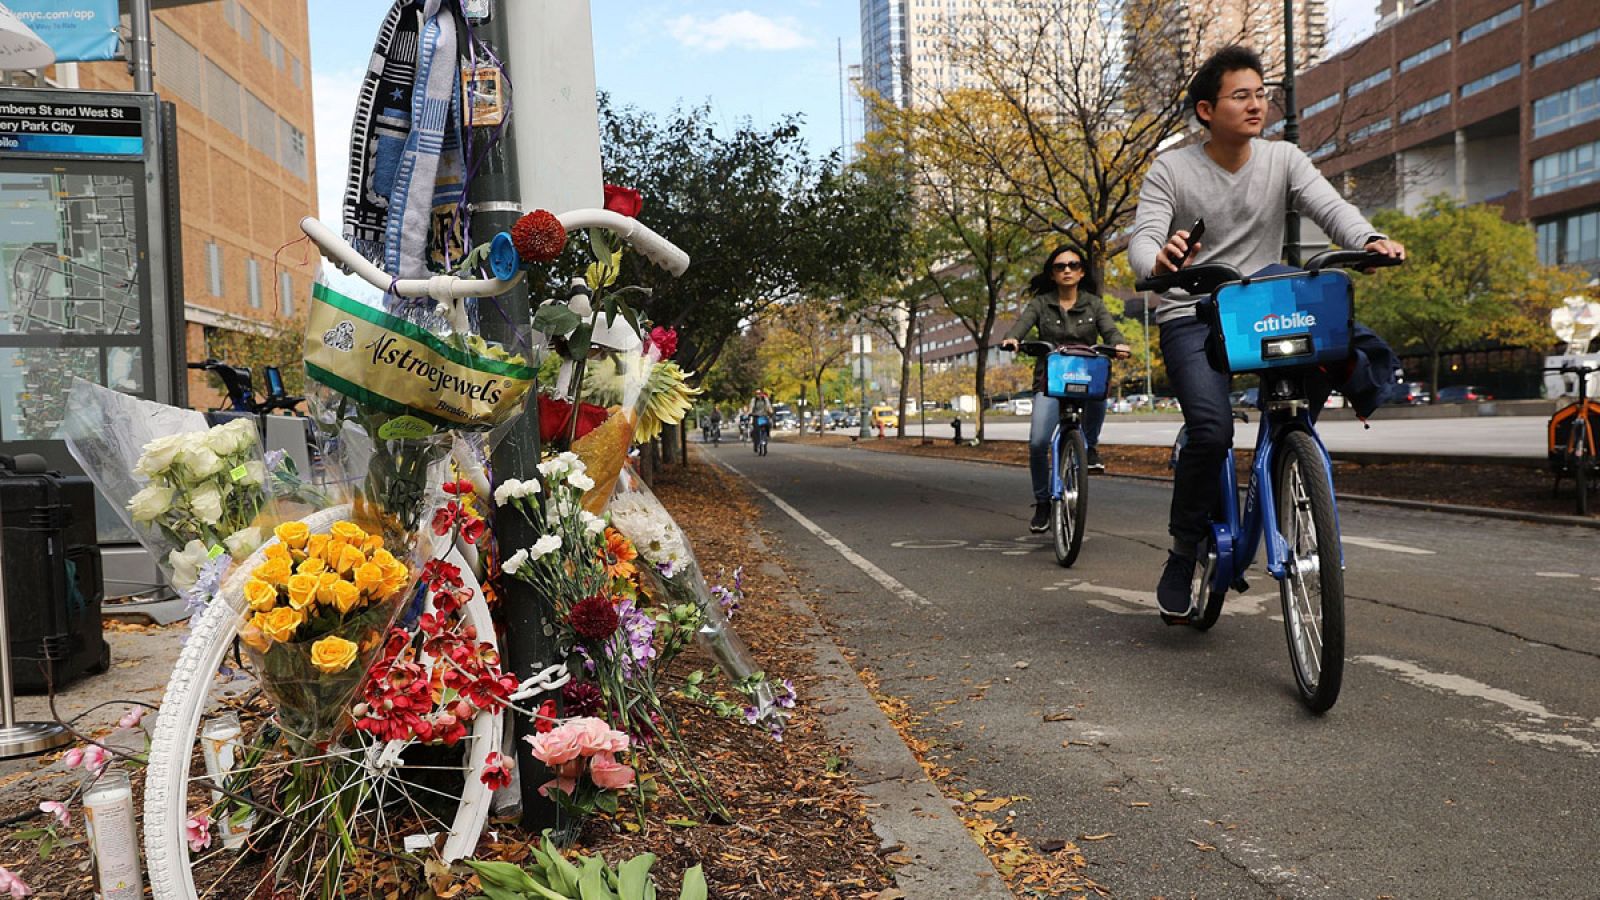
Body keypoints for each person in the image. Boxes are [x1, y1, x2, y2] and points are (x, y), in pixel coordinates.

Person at [1129, 45, 1406, 617]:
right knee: (1211, 430)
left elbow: (1333, 209)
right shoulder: (1172, 170)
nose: (1257, 104)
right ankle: (1184, 551)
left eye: (1262, 94)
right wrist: (1159, 262)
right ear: (1206, 109)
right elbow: (1144, 238)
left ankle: (1291, 454)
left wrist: (1368, 241)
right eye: (1241, 95)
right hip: (1193, 313)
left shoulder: (1284, 159)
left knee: (1327, 360)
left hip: (1265, 310)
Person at [1001, 246, 1131, 533]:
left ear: (1082, 271)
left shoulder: (1094, 304)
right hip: (1050, 381)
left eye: (1073, 265)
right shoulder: (1040, 304)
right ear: (1053, 273)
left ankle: (1091, 446)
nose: (1067, 270)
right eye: (1060, 267)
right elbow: (1020, 326)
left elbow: (1110, 330)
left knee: (1100, 388)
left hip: (1085, 375)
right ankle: (1043, 502)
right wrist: (1012, 339)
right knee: (1037, 442)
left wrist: (1118, 343)